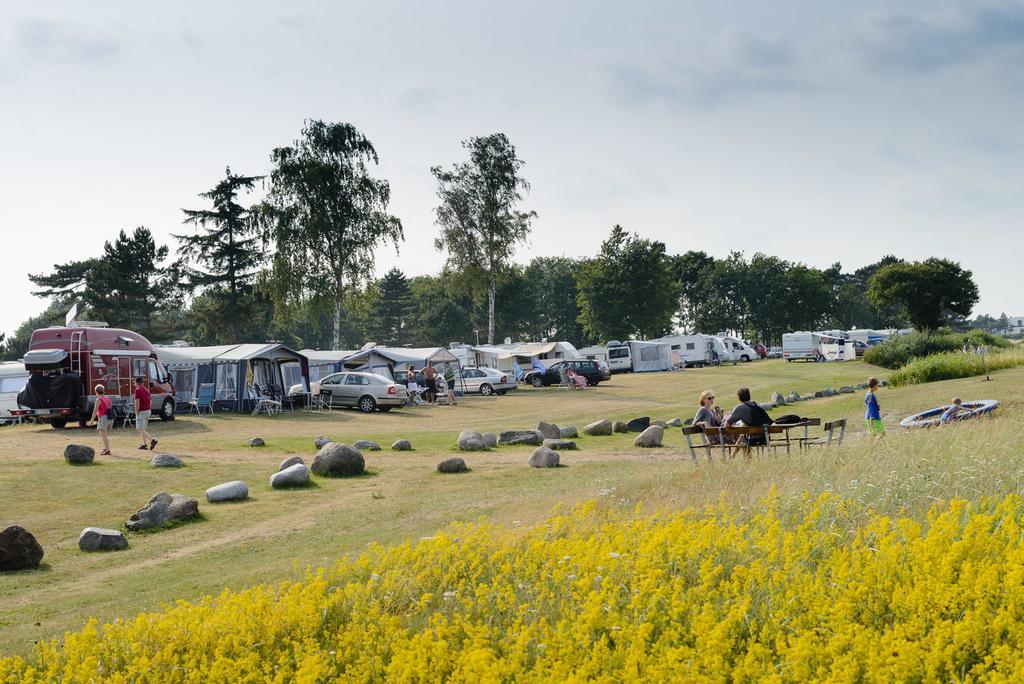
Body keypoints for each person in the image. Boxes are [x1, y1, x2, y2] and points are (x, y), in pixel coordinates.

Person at [134, 376, 157, 450]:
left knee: (139, 429)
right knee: (143, 429)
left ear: (137, 383)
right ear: (142, 383)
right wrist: (148, 408)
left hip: (142, 411)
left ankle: (152, 440)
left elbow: (137, 401)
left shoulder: (137, 390)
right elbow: (150, 401)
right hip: (148, 410)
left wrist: (137, 411)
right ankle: (144, 444)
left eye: (135, 383)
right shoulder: (146, 390)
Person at [91, 384, 112, 456]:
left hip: (102, 418)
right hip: (108, 418)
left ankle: (108, 450)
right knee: (104, 434)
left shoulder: (98, 400)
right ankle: (106, 448)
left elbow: (95, 410)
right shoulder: (107, 398)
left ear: (97, 391)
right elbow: (110, 406)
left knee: (103, 435)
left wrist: (91, 420)